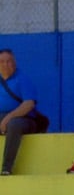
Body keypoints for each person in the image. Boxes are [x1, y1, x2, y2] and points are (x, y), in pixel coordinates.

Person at [0, 48, 48, 177]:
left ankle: (6, 168)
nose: (5, 64)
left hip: (25, 120)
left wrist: (8, 118)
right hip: (3, 118)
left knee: (14, 125)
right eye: (2, 61)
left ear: (14, 63)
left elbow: (29, 104)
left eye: (9, 61)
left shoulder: (22, 79)